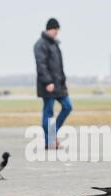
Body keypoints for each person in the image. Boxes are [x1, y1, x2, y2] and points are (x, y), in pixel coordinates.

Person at [34, 18, 73, 150]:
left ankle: (52, 135)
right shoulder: (40, 44)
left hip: (59, 85)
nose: (57, 32)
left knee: (68, 106)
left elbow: (59, 66)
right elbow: (41, 65)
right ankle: (50, 141)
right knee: (49, 112)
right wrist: (48, 82)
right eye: (55, 29)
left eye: (58, 30)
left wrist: (63, 81)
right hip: (48, 85)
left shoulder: (54, 44)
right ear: (49, 29)